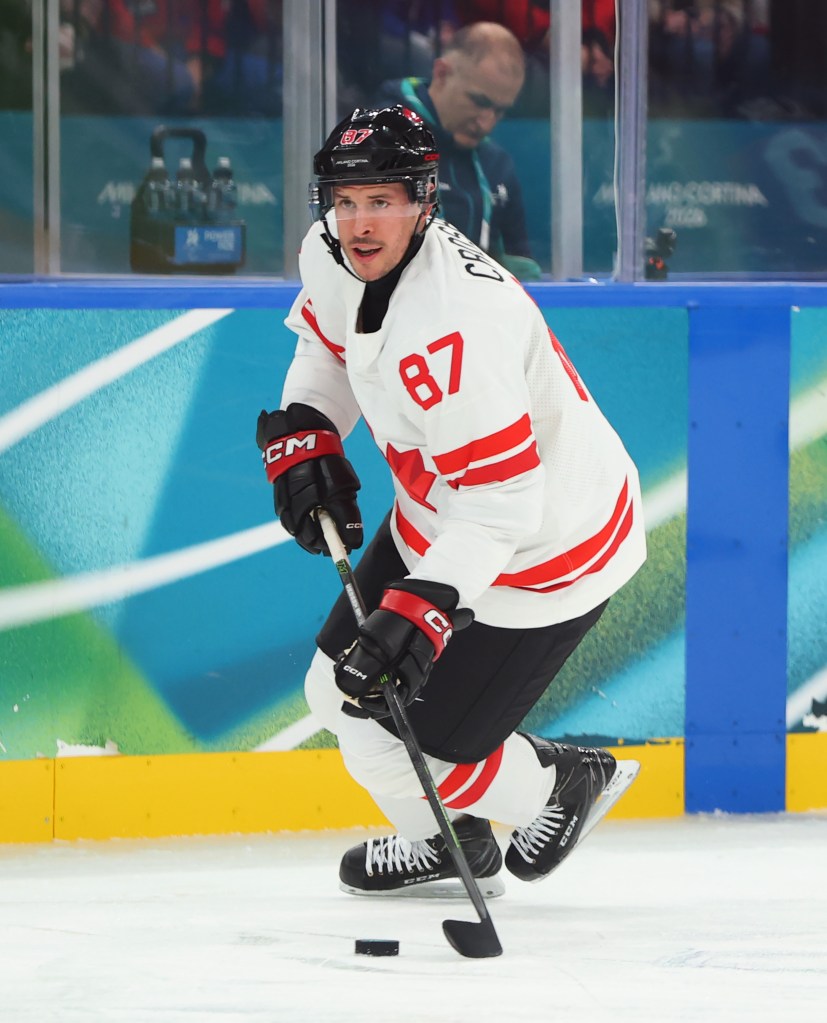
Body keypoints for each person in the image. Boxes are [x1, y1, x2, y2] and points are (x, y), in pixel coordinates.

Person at [256, 106, 646, 896]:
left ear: (424, 202)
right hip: (442, 514)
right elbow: (323, 347)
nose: (359, 222)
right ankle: (447, 842)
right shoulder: (330, 254)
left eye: (381, 201)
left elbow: (503, 504)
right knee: (335, 692)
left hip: (548, 548)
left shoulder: (460, 329)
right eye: (345, 200)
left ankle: (556, 784)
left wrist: (423, 607)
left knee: (424, 745)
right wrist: (311, 428)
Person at [376, 21, 542, 281]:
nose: (486, 122)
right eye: (478, 101)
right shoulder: (377, 141)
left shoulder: (497, 164)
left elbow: (521, 263)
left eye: (500, 110)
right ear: (442, 73)